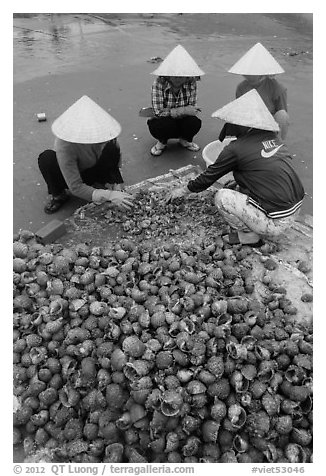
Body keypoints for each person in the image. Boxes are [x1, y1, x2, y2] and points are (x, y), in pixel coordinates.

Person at [166, 89, 305, 246]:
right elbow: (264, 173)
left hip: (276, 221)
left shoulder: (236, 148)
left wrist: (183, 190)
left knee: (222, 197)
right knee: (236, 182)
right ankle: (260, 218)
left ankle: (248, 236)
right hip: (294, 210)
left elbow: (209, 177)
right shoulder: (272, 137)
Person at [38, 95, 134, 214]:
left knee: (111, 148)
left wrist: (117, 186)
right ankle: (59, 195)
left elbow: (115, 160)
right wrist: (109, 195)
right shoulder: (65, 145)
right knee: (46, 159)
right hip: (75, 173)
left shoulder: (107, 135)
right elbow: (76, 187)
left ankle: (102, 184)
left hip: (93, 169)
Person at [147, 44, 205, 156]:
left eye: (182, 76)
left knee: (194, 122)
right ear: (167, 75)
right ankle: (162, 141)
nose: (178, 79)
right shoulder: (159, 83)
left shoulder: (191, 82)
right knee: (161, 125)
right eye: (174, 75)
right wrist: (183, 111)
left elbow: (192, 109)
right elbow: (159, 112)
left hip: (181, 118)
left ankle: (185, 139)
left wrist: (173, 111)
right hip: (164, 120)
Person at [226, 42, 289, 141]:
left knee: (283, 115)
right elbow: (239, 112)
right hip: (249, 122)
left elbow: (282, 115)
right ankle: (246, 141)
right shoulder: (241, 87)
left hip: (270, 125)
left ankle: (278, 144)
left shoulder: (278, 88)